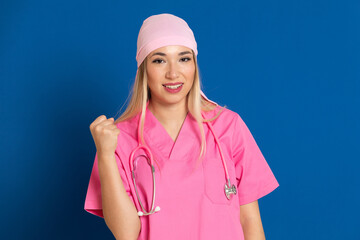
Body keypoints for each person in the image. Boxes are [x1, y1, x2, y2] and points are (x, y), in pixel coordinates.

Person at [84, 13, 279, 240]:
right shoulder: (119, 140)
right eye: (159, 60)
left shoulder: (228, 127)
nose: (173, 73)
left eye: (183, 58)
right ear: (143, 68)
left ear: (194, 65)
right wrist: (105, 154)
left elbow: (250, 220)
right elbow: (126, 233)